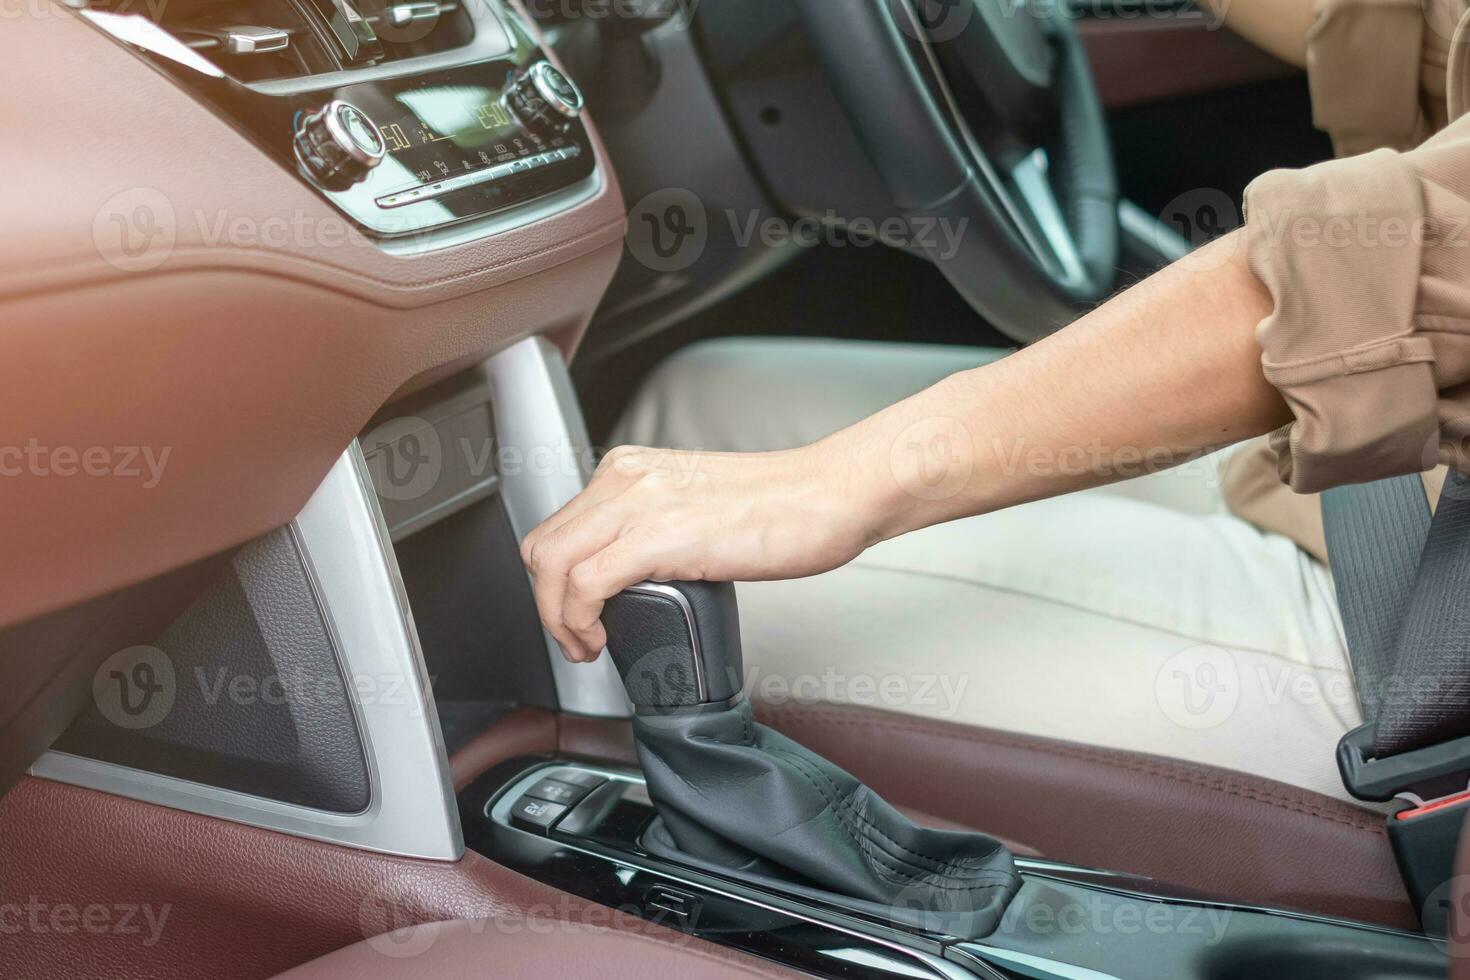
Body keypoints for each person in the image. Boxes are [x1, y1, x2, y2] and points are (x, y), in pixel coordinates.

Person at [521, 0, 1470, 803]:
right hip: (1403, 495)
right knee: (703, 396)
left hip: (1422, 651)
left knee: (637, 613)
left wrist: (837, 485)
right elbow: (1410, 24)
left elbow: (1392, 261)